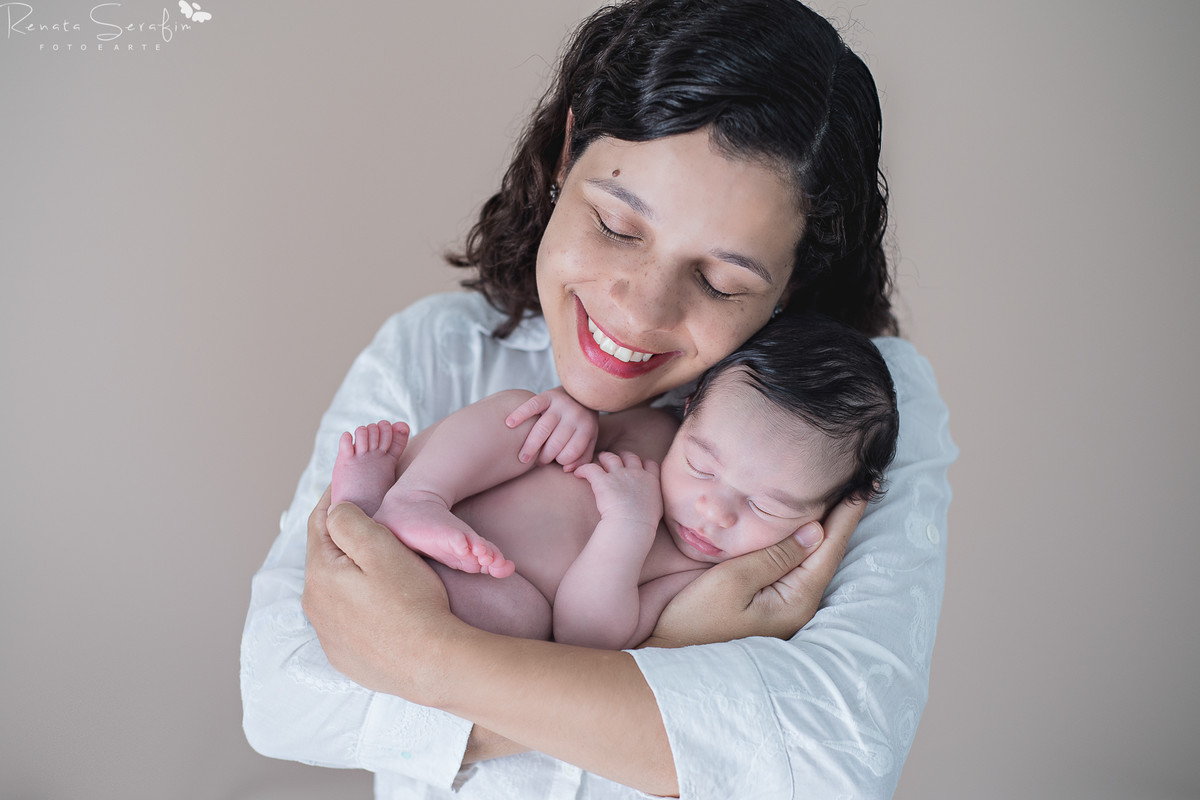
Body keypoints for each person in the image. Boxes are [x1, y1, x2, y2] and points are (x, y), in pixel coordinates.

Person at [240, 0, 958, 797]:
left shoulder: (848, 420)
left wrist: (421, 655)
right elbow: (281, 698)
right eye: (619, 226)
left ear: (792, 282)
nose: (641, 312)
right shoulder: (438, 349)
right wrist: (673, 654)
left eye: (721, 281)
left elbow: (834, 762)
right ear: (566, 150)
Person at [329, 314, 899, 650]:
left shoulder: (706, 576)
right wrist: (573, 415)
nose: (716, 510)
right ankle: (409, 498)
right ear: (690, 409)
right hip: (463, 495)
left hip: (495, 582)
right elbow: (568, 437)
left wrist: (628, 526)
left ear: (823, 513)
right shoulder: (655, 431)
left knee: (523, 624)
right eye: (702, 465)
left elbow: (587, 636)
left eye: (766, 505)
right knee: (520, 414)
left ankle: (365, 524)